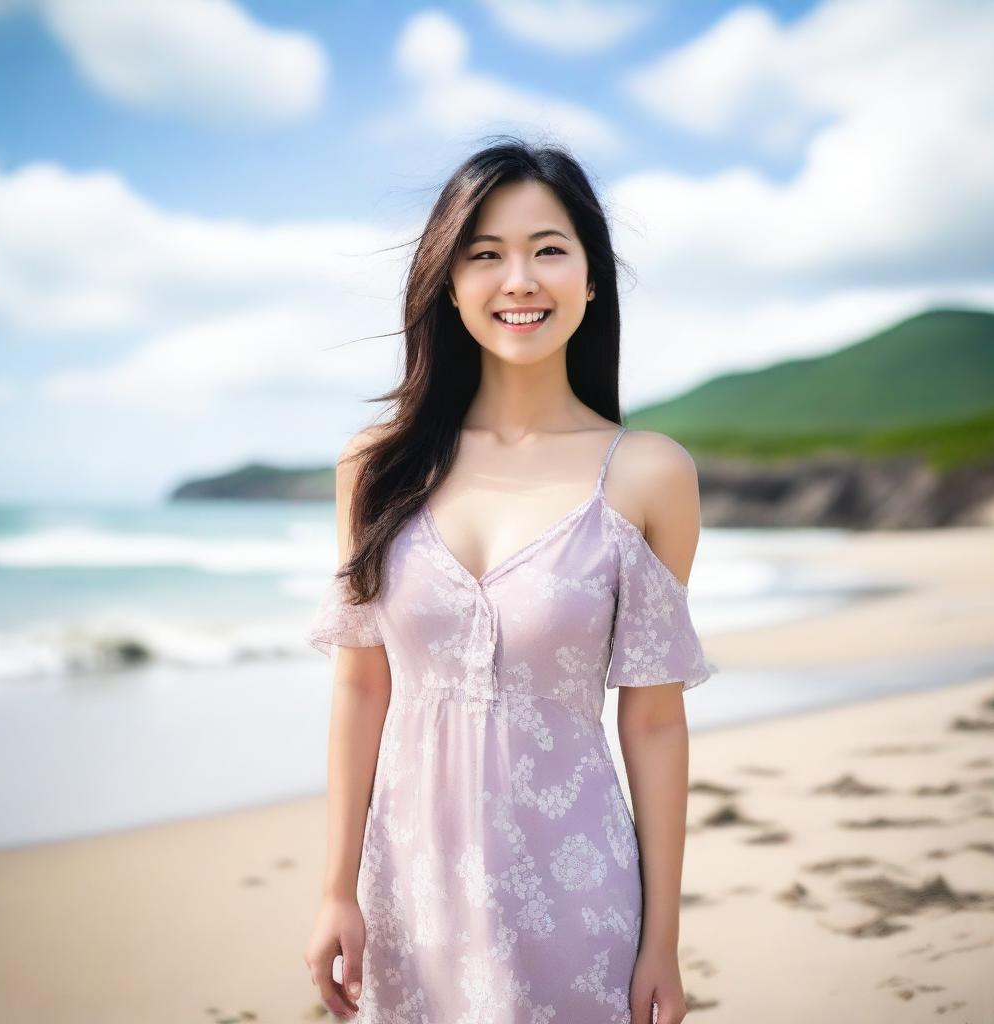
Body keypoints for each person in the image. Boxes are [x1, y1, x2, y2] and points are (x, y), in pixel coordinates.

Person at [302, 136, 716, 1024]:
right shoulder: (376, 466)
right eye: (484, 254)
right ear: (449, 285)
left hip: (582, 892)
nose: (518, 279)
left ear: (593, 278)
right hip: (408, 889)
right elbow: (361, 685)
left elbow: (653, 720)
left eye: (548, 250)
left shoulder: (648, 474)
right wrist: (338, 889)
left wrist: (662, 941)